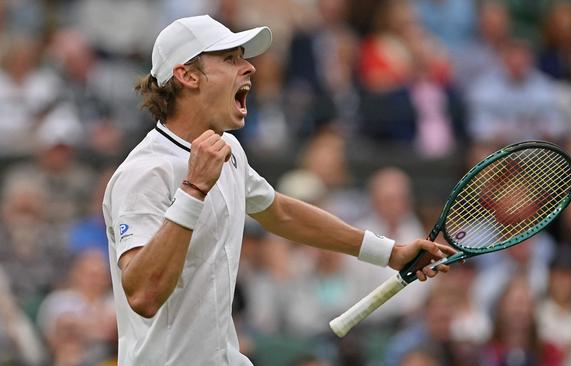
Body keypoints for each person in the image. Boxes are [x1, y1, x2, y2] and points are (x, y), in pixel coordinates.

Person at [102, 15, 454, 365]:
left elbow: (280, 212)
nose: (250, 68)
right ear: (187, 76)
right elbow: (144, 295)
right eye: (230, 59)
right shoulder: (143, 173)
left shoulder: (230, 151)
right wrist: (194, 190)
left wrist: (389, 252)